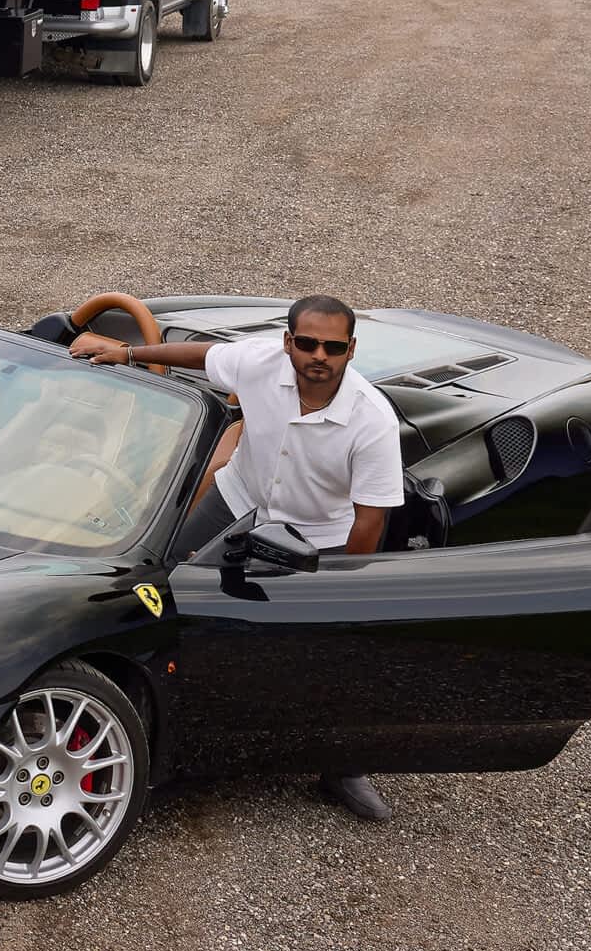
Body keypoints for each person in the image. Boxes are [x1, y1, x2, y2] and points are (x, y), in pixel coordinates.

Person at [72, 294, 404, 824]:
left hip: (316, 534)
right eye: (309, 343)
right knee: (161, 583)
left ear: (351, 349)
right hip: (238, 496)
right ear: (288, 342)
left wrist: (340, 593)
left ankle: (342, 764)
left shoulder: (373, 423)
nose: (321, 355)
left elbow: (369, 523)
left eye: (334, 346)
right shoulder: (257, 362)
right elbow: (202, 356)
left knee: (328, 650)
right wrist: (128, 354)